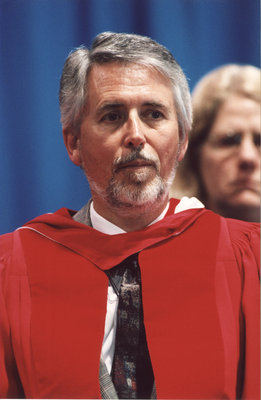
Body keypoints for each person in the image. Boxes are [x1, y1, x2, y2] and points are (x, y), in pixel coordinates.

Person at [0, 33, 259, 400]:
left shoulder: (247, 258)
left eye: (154, 114)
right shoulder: (12, 269)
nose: (136, 135)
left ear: (183, 139)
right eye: (112, 116)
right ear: (73, 142)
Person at [170, 64, 260, 222]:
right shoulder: (166, 242)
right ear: (194, 156)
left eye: (259, 142)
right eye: (229, 141)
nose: (248, 157)